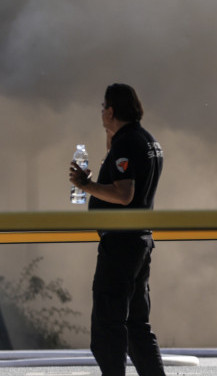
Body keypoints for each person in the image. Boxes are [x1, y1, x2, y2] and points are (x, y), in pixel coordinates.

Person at [68, 83, 166, 376]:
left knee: (107, 329)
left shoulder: (127, 143)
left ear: (111, 110)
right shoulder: (145, 140)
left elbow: (124, 195)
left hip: (121, 246)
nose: (101, 113)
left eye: (103, 108)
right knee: (137, 327)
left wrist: (86, 186)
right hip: (139, 241)